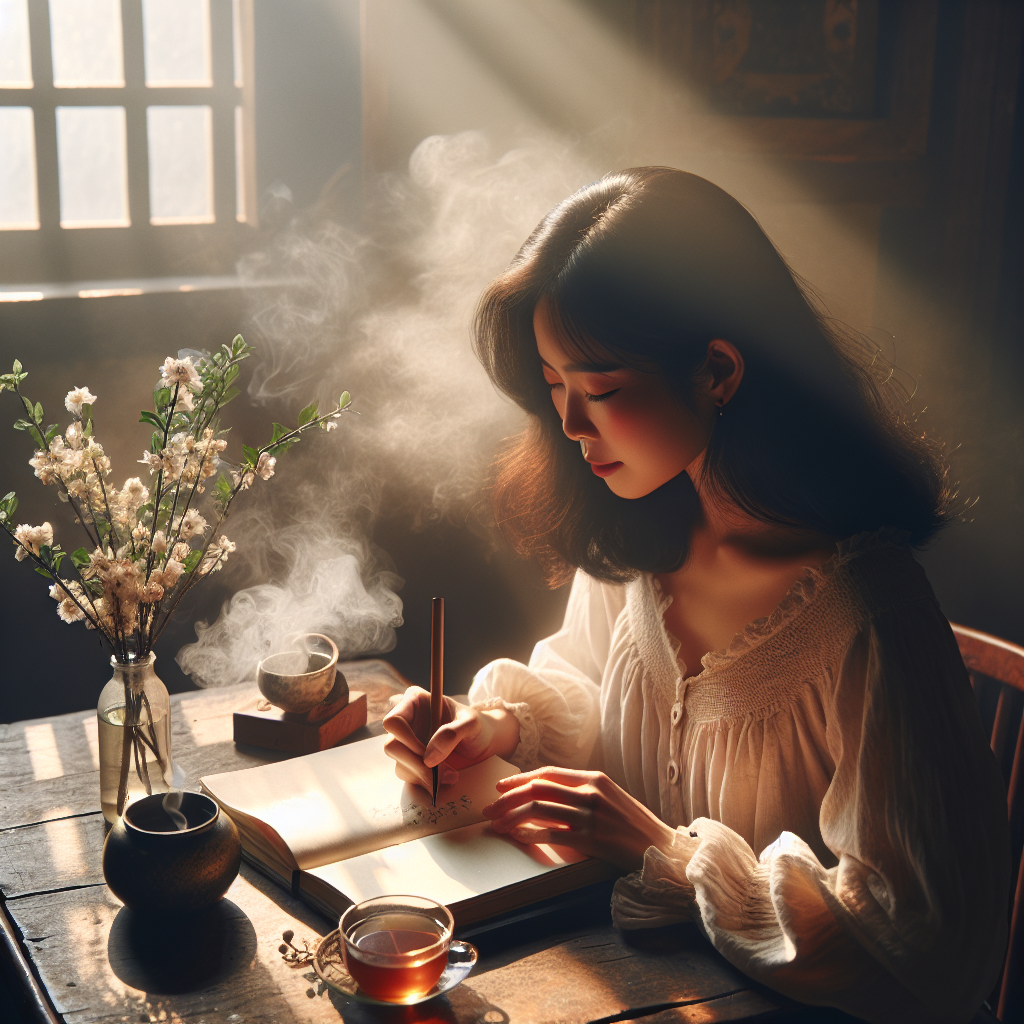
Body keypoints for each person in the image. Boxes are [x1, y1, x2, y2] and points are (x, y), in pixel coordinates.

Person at [382, 168, 1009, 1023]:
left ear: (717, 370)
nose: (570, 424)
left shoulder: (868, 615)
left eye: (602, 389)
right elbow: (587, 684)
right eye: (554, 384)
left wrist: (664, 853)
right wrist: (499, 726)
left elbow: (928, 948)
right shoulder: (639, 536)